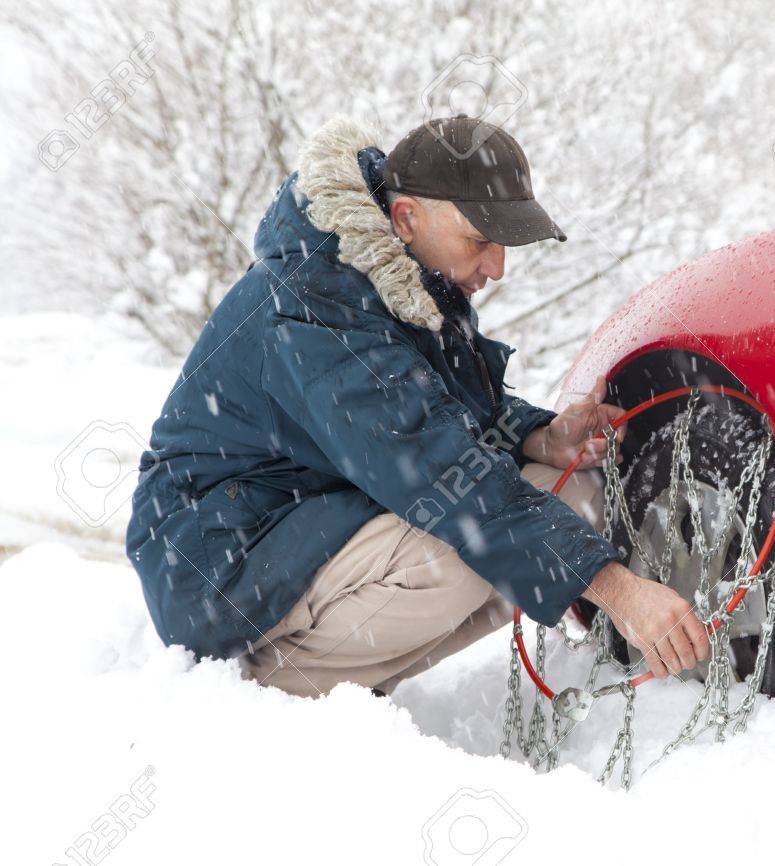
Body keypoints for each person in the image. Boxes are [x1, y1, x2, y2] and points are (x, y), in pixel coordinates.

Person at [126, 115, 708, 697]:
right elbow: (444, 474)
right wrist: (618, 589)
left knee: (569, 491)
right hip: (220, 560)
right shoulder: (315, 306)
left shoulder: (402, 273)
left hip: (316, 514)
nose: (498, 267)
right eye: (481, 240)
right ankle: (267, 684)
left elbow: (447, 415)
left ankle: (342, 664)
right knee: (460, 554)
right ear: (406, 217)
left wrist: (541, 438)